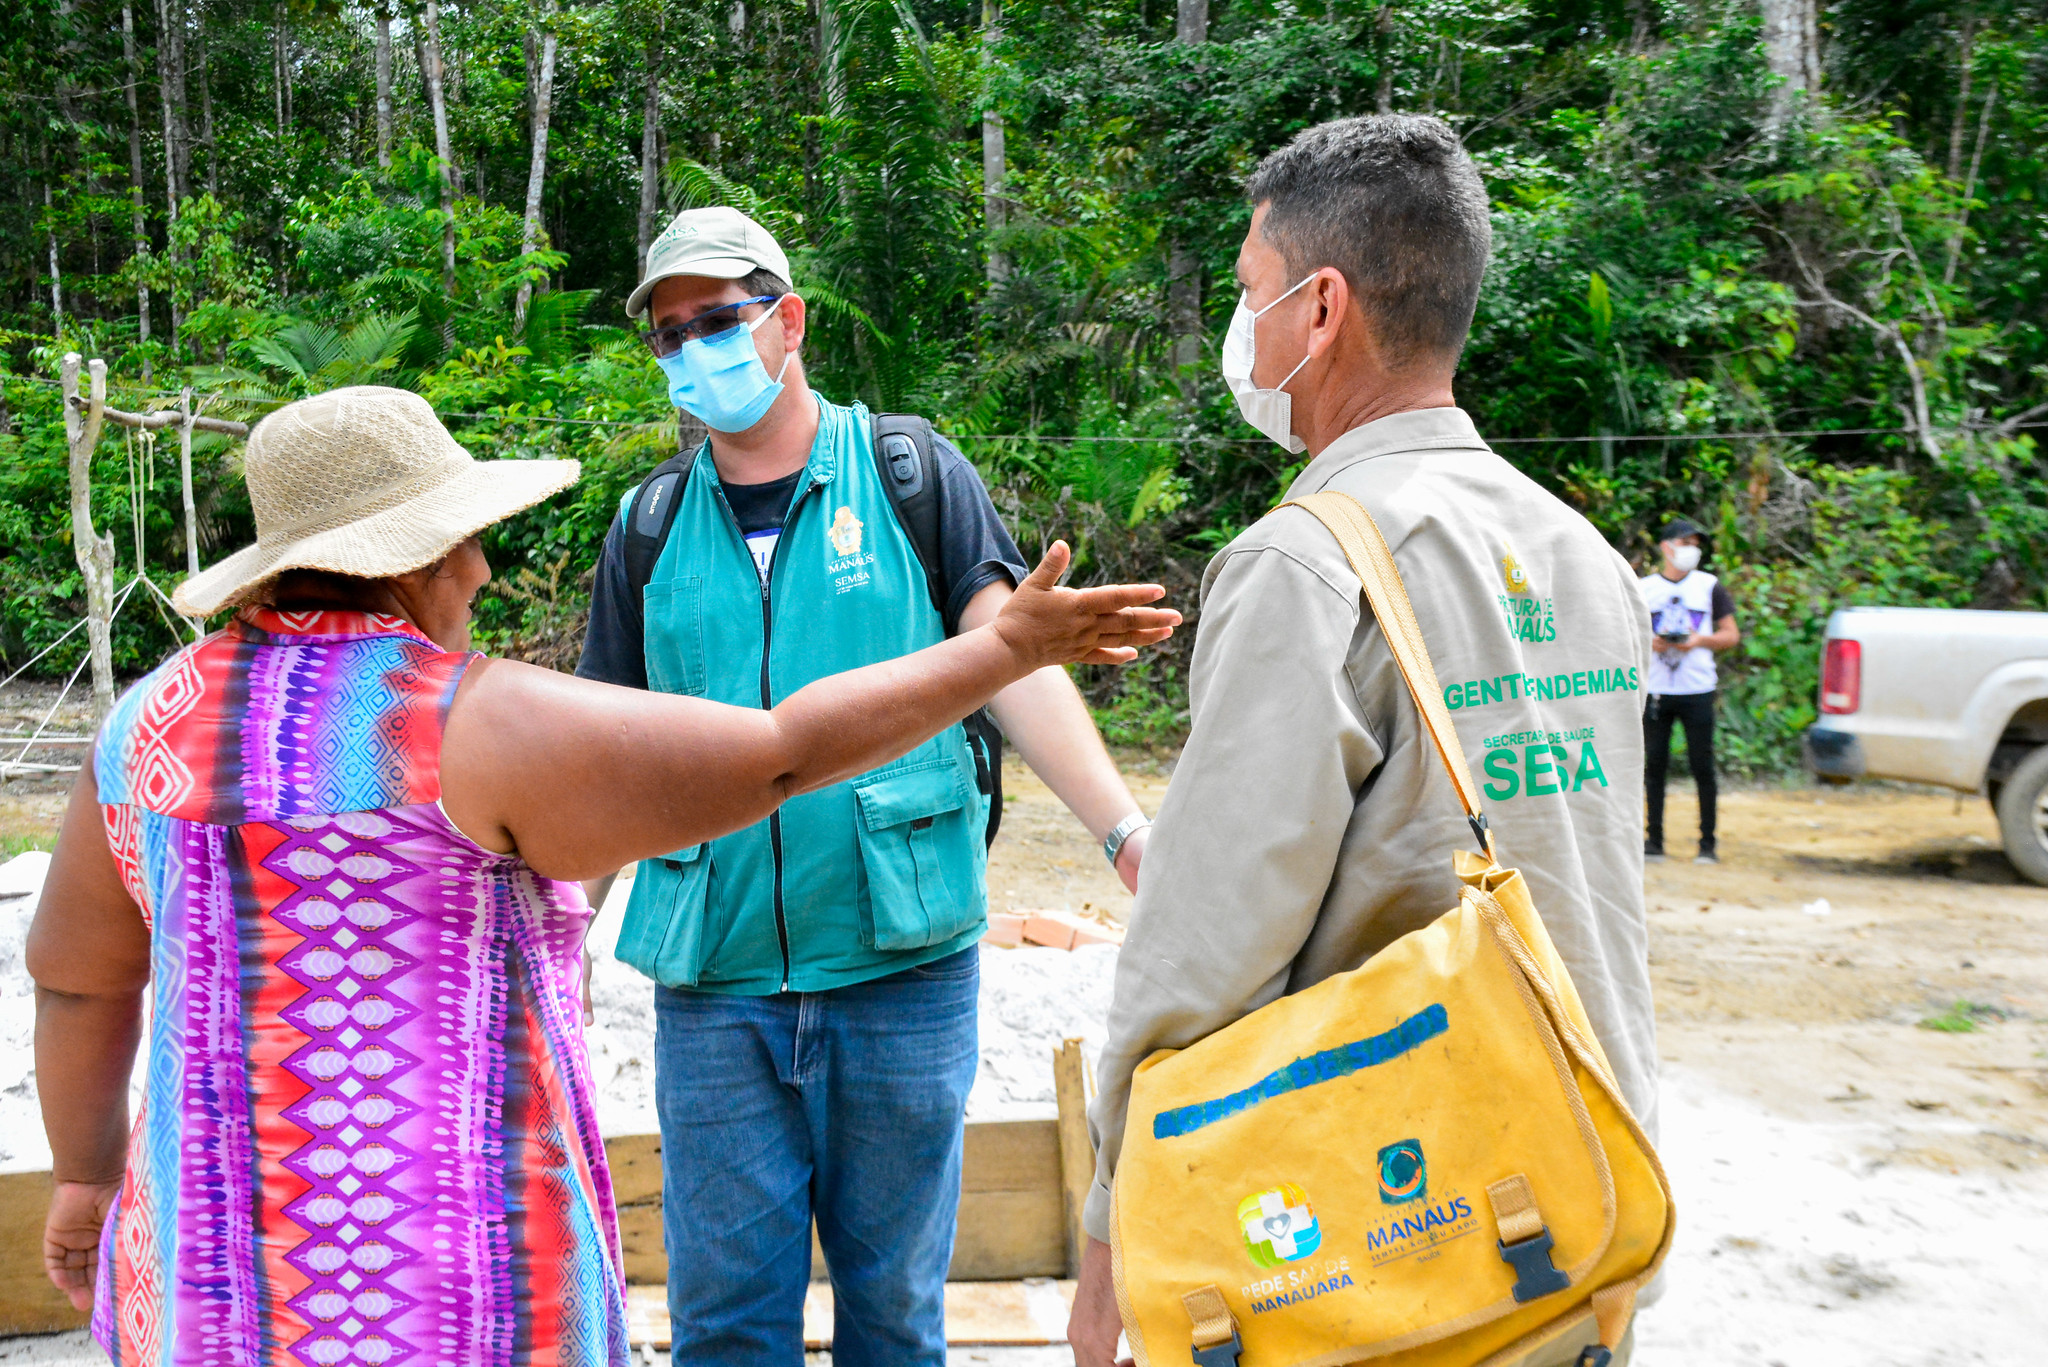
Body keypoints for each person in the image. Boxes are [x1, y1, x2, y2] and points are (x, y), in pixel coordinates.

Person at [26, 385, 1176, 1366]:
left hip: (204, 1274)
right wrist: (1004, 648)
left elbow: (77, 979)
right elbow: (776, 752)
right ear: (411, 561)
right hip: (440, 1284)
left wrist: (84, 1177)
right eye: (464, 541)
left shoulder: (147, 724)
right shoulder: (459, 723)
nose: (481, 568)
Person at [1065, 114, 1659, 1366]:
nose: (1244, 330)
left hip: (1388, 1241)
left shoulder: (1308, 559)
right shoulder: (1578, 554)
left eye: (1247, 293)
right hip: (1576, 1204)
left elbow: (1201, 951)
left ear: (1319, 307)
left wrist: (1113, 1234)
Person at [573, 207, 1158, 1366]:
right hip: (716, 987)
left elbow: (1010, 661)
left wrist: (1126, 832)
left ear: (786, 322)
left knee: (892, 1312)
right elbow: (607, 754)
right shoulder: (644, 528)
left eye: (719, 321)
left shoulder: (906, 472)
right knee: (723, 1321)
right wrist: (552, 941)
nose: (695, 352)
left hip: (901, 974)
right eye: (669, 334)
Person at [1639, 516, 1740, 863]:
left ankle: (1707, 844)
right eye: (1685, 543)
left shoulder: (1709, 586)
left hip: (1696, 689)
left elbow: (1730, 634)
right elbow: (1626, 633)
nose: (1691, 550)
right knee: (1654, 767)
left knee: (1703, 766)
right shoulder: (1644, 588)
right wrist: (1649, 643)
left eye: (1696, 544)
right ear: (1666, 547)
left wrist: (1699, 640)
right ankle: (1654, 841)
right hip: (1656, 691)